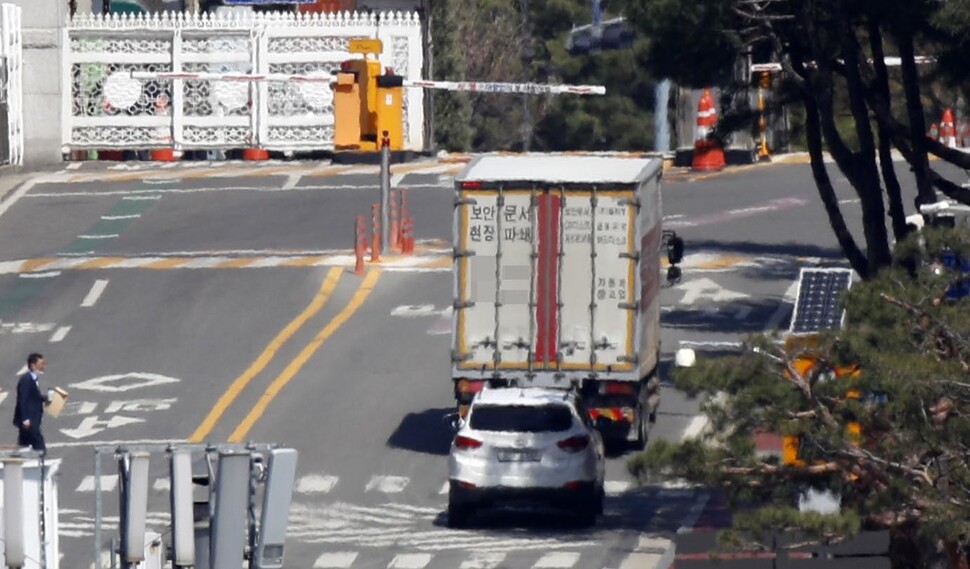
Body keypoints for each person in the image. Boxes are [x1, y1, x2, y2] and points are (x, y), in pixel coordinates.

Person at [13, 353, 49, 452]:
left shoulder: (32, 379)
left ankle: (18, 463)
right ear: (33, 365)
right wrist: (25, 419)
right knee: (40, 446)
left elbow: (33, 397)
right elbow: (22, 400)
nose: (43, 366)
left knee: (23, 447)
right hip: (29, 422)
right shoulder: (26, 380)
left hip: (31, 422)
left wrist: (45, 398)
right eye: (41, 364)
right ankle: (42, 464)